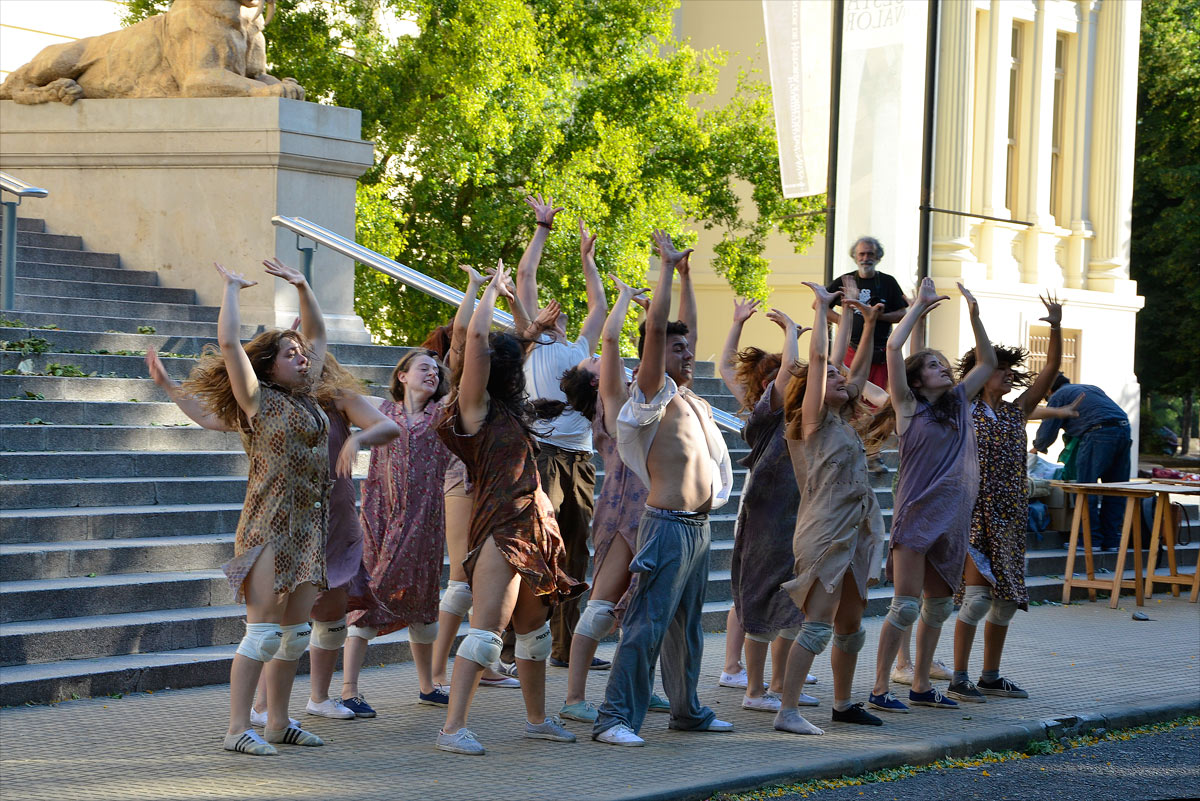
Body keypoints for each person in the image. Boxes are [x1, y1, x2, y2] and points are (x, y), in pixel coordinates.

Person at [434, 261, 585, 755]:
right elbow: (472, 342)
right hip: (500, 528)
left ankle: (538, 720)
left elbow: (505, 346)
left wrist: (530, 328)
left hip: (533, 525)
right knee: (485, 636)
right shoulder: (471, 410)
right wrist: (482, 291)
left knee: (535, 635)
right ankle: (452, 728)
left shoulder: (507, 408)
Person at [184, 258, 332, 755]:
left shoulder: (309, 398)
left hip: (309, 528)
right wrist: (230, 288)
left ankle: (278, 722)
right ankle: (235, 730)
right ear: (268, 366)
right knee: (263, 633)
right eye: (290, 354)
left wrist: (303, 285)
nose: (302, 358)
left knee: (293, 637)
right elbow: (229, 345)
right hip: (268, 527)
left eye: (301, 354)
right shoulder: (258, 401)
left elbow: (318, 334)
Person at [592, 231, 734, 746]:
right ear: (655, 356)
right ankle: (614, 718)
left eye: (688, 348)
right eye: (677, 349)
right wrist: (667, 270)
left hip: (698, 528)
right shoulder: (650, 395)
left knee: (686, 629)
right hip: (666, 526)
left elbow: (682, 328)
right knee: (647, 627)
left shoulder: (691, 399)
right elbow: (656, 327)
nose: (688, 352)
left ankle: (687, 710)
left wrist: (691, 276)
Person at [867, 278, 996, 714]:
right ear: (918, 379)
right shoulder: (908, 406)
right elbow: (891, 351)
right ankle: (880, 688)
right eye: (934, 365)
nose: (944, 368)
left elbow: (987, 361)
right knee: (904, 607)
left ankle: (921, 685)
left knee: (937, 607)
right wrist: (917, 308)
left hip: (954, 518)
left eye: (945, 363)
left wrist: (975, 317)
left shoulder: (960, 401)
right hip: (917, 517)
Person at [773, 285, 887, 734]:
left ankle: (843, 704)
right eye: (832, 379)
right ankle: (787, 711)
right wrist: (823, 309)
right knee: (817, 626)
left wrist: (868, 324)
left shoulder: (844, 422)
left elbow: (852, 371)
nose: (844, 381)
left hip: (857, 530)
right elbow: (821, 363)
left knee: (851, 625)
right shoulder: (813, 423)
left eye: (843, 380)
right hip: (823, 531)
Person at [556, 275, 670, 723]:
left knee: (648, 607)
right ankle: (574, 698)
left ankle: (644, 686)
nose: (608, 362)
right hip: (622, 509)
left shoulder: (635, 398)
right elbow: (608, 336)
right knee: (602, 606)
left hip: (656, 506)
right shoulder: (610, 403)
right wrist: (624, 298)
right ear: (594, 383)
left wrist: (648, 313)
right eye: (598, 364)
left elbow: (653, 348)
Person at [948, 294, 1067, 704]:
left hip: (1011, 517)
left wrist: (1054, 326)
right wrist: (975, 317)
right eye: (1001, 370)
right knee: (978, 598)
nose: (1009, 376)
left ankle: (990, 676)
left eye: (1011, 371)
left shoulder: (1018, 411)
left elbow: (1050, 369)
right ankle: (958, 676)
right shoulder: (964, 409)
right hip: (975, 513)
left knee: (1006, 603)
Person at [514, 198, 608, 669]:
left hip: (581, 459)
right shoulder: (532, 341)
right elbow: (525, 279)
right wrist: (542, 228)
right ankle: (519, 639)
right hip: (544, 455)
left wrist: (587, 259)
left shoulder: (580, 347)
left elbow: (601, 305)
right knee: (538, 546)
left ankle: (566, 648)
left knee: (575, 550)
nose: (558, 312)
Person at [342, 346, 455, 711]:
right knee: (369, 599)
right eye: (424, 368)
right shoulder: (381, 411)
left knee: (423, 605)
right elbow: (338, 389)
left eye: (436, 371)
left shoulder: (444, 414)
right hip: (380, 522)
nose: (432, 374)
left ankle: (428, 686)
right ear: (402, 376)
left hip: (426, 525)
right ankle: (348, 690)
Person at [730, 307, 816, 714]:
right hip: (765, 517)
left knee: (790, 606)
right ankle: (753, 690)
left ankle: (779, 687)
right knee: (761, 602)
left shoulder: (804, 418)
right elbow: (788, 375)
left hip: (797, 518)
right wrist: (793, 333)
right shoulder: (766, 415)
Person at [1032, 375, 1132, 551]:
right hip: (1123, 430)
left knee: (1085, 488)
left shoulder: (1058, 396)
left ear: (1048, 389)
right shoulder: (1089, 388)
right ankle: (1111, 540)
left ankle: (1089, 539)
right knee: (1116, 489)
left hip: (1098, 434)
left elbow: (1048, 429)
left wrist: (1036, 448)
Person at [824, 236, 909, 392]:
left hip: (880, 353)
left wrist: (877, 316)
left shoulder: (888, 282)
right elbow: (819, 306)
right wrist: (842, 320)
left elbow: (903, 313)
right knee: (850, 390)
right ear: (855, 257)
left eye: (870, 254)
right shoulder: (845, 280)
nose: (865, 258)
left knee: (879, 394)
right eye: (861, 254)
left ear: (878, 257)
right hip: (851, 349)